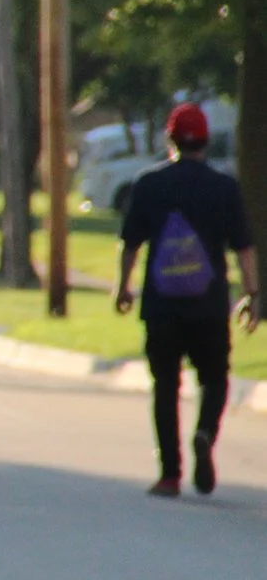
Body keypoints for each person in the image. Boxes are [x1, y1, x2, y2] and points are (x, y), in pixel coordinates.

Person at [115, 103, 259, 498]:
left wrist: (123, 287)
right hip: (208, 304)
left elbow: (130, 244)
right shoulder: (224, 187)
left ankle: (169, 474)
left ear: (170, 139)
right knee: (214, 378)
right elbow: (244, 248)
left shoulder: (148, 184)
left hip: (161, 305)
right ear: (206, 141)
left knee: (165, 385)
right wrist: (251, 294)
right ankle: (205, 433)